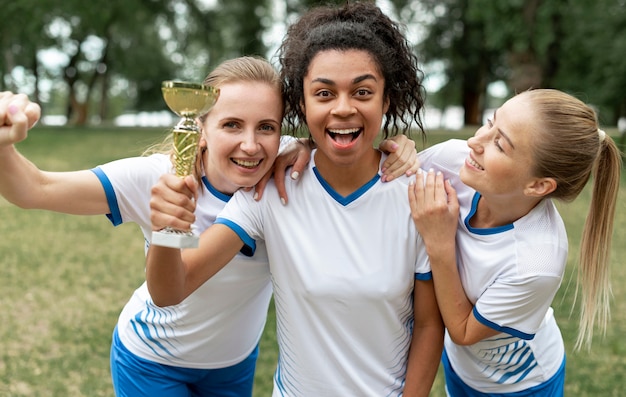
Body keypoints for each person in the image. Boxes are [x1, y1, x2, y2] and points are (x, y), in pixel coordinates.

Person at [0, 57, 417, 396]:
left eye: (266, 127)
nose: (251, 144)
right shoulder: (156, 178)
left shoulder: (286, 171)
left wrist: (397, 149)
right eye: (231, 125)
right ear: (201, 128)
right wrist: (3, 140)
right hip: (153, 361)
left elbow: (341, 145)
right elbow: (33, 189)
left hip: (233, 366)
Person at [146, 2, 444, 396]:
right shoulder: (270, 189)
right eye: (324, 93)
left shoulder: (418, 196)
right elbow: (171, 290)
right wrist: (167, 230)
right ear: (301, 105)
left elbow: (428, 324)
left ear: (386, 101)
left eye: (363, 91)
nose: (343, 107)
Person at [408, 88, 621, 396]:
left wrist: (440, 244)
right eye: (489, 123)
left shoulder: (538, 261)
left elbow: (464, 331)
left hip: (522, 385)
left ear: (538, 185)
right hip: (460, 370)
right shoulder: (455, 161)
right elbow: (384, 181)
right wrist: (400, 152)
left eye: (499, 144)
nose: (474, 142)